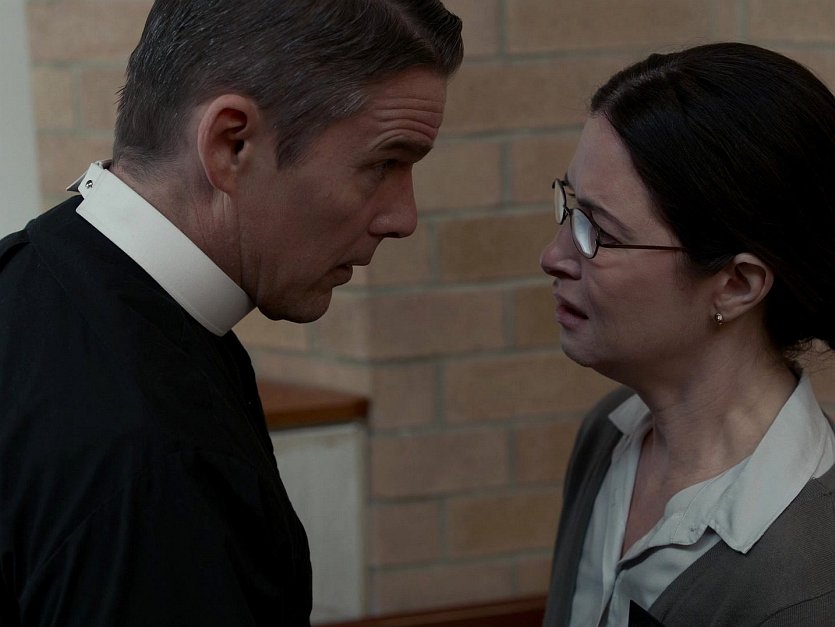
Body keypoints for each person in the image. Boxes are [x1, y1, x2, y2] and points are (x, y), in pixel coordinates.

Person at [0, 1, 462, 625]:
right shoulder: (151, 456)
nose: (403, 218)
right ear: (231, 143)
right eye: (384, 162)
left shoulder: (31, 276)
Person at [540, 43, 835, 626]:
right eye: (573, 209)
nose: (553, 256)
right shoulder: (609, 432)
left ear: (736, 285)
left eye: (601, 231)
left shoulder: (806, 581)